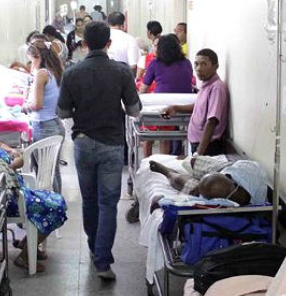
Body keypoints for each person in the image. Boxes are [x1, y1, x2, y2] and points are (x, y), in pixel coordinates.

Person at [58, 21, 142, 281]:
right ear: (109, 43)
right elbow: (134, 110)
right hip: (111, 145)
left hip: (83, 143)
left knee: (90, 199)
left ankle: (95, 247)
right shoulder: (121, 72)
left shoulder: (72, 73)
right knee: (108, 203)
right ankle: (103, 261)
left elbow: (62, 112)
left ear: (83, 44)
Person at [0, 103, 68, 272]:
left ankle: (28, 244)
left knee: (57, 201)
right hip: (6, 199)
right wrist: (14, 165)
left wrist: (12, 154)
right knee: (56, 206)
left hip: (16, 191)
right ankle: (25, 256)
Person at [161, 48, 229, 156]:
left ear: (215, 66)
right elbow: (199, 107)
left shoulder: (216, 88)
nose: (198, 68)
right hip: (199, 144)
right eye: (196, 64)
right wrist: (176, 108)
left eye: (204, 64)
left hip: (207, 147)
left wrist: (199, 153)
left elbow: (212, 121)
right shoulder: (206, 85)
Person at [140, 34, 194, 157]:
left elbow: (143, 88)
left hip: (162, 107)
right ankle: (165, 163)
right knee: (165, 137)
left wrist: (140, 100)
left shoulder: (155, 63)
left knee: (148, 136)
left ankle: (146, 162)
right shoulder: (187, 63)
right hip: (185, 109)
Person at [24, 40, 66, 193]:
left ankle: (47, 202)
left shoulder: (42, 74)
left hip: (44, 126)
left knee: (44, 170)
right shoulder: (55, 71)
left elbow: (37, 105)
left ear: (38, 57)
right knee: (53, 170)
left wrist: (25, 106)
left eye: (31, 60)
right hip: (55, 124)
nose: (31, 64)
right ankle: (57, 200)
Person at [147, 155, 268, 206]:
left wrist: (159, 200)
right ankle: (189, 161)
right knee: (194, 161)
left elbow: (174, 203)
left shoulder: (215, 202)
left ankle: (167, 172)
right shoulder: (244, 171)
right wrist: (217, 173)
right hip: (226, 167)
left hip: (225, 175)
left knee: (186, 184)